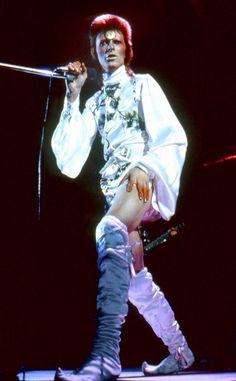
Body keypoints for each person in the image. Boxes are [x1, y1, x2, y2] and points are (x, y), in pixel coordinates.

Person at [51, 13, 194, 381]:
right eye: (102, 43)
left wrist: (144, 165)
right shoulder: (95, 103)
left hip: (142, 176)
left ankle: (105, 358)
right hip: (116, 188)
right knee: (134, 281)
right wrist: (74, 94)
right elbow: (69, 160)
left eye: (115, 41)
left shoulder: (143, 85)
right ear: (95, 53)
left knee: (108, 227)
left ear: (126, 49)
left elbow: (174, 136)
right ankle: (181, 352)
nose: (109, 47)